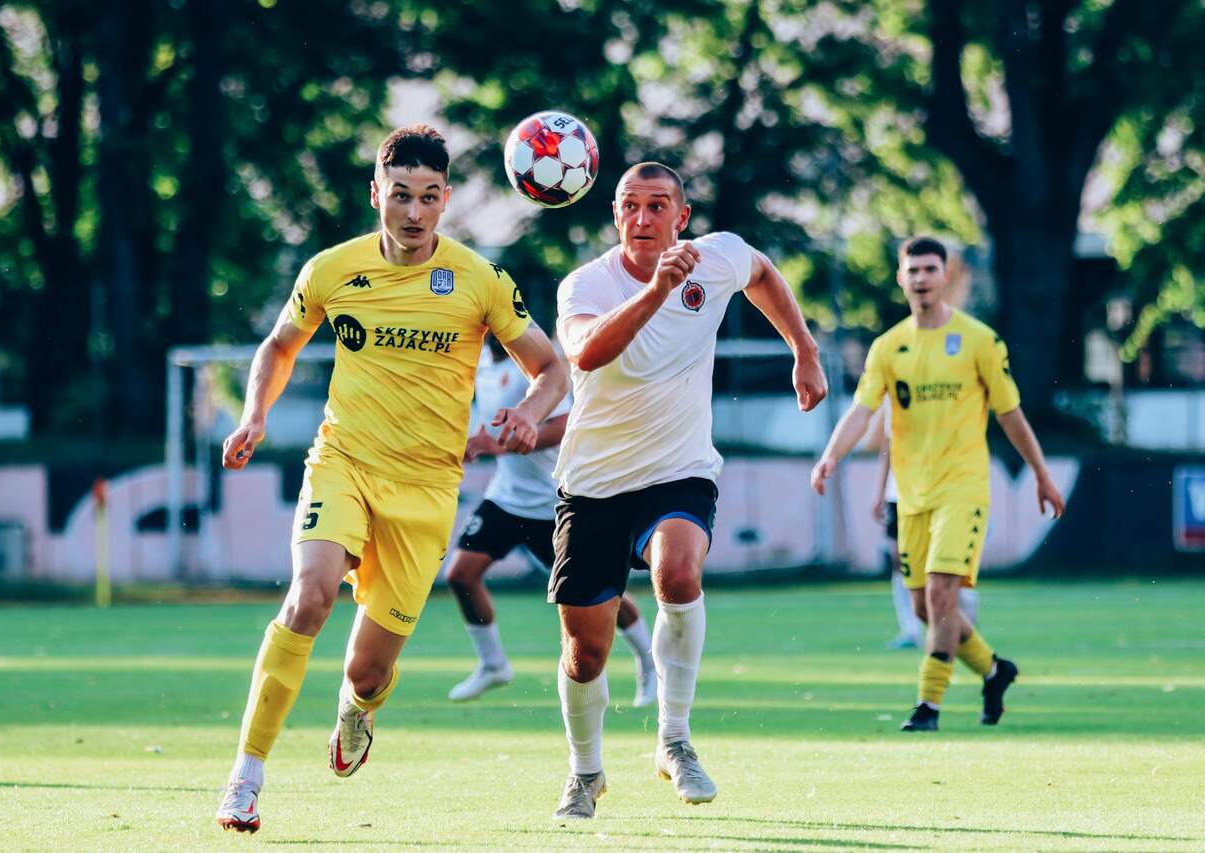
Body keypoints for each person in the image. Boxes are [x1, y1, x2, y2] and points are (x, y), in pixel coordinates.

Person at [213, 125, 568, 833]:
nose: (414, 211)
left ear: (446, 200)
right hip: (342, 462)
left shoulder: (479, 279)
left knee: (366, 673)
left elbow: (551, 367)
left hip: (428, 489)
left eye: (429, 197)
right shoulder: (331, 269)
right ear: (375, 193)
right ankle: (244, 777)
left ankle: (358, 709)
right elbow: (280, 345)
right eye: (401, 195)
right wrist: (254, 415)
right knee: (309, 596)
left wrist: (529, 415)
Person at [549, 162, 828, 819]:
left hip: (679, 470)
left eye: (657, 206)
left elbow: (761, 272)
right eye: (630, 206)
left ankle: (674, 739)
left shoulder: (716, 255)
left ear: (683, 217)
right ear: (615, 214)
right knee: (586, 654)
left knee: (677, 573)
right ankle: (585, 772)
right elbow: (587, 352)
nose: (642, 218)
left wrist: (804, 348)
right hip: (593, 484)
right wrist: (657, 290)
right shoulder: (586, 284)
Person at [812, 236, 1065, 733]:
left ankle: (927, 706)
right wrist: (830, 456)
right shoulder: (888, 347)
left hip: (963, 489)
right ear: (900, 278)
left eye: (931, 269)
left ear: (946, 276)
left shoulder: (979, 340)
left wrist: (1040, 473)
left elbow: (1010, 414)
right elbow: (863, 411)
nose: (922, 278)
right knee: (925, 608)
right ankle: (994, 670)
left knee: (942, 594)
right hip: (911, 494)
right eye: (914, 270)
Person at [446, 338, 659, 705]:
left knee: (597, 594)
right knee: (460, 575)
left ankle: (650, 662)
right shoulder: (480, 362)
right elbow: (492, 423)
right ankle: (494, 664)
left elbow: (564, 424)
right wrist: (476, 440)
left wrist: (503, 444)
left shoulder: (532, 367)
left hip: (551, 503)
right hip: (506, 498)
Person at [869, 407, 979, 650]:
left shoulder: (938, 395)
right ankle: (910, 630)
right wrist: (880, 490)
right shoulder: (892, 395)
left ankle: (965, 604)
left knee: (938, 563)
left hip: (935, 490)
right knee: (898, 558)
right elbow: (888, 444)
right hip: (899, 492)